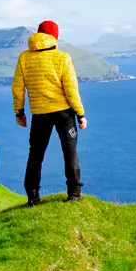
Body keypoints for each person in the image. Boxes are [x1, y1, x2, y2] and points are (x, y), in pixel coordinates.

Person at [12, 20, 88, 202]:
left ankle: (32, 196)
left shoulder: (24, 57)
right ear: (55, 37)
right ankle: (74, 194)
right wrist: (81, 114)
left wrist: (20, 113)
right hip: (64, 113)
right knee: (70, 152)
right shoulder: (62, 57)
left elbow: (17, 88)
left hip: (39, 114)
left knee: (36, 154)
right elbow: (71, 89)